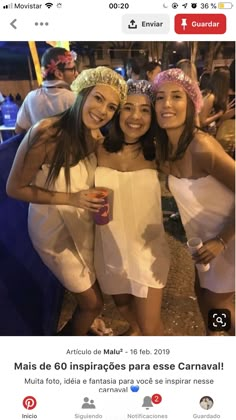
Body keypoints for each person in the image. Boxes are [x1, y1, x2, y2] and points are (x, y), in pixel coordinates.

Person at [6, 66, 127, 336]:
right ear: (82, 93)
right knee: (92, 302)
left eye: (111, 107)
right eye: (98, 98)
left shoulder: (95, 137)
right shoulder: (46, 132)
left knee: (94, 298)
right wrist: (71, 198)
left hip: (82, 225)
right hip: (52, 231)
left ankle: (78, 333)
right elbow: (14, 188)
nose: (102, 111)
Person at [153, 68, 235, 336]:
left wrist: (221, 240)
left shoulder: (202, 146)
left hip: (228, 238)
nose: (166, 104)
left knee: (218, 303)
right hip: (205, 241)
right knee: (201, 293)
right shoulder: (165, 148)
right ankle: (214, 337)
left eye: (176, 96)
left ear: (191, 104)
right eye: (160, 97)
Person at [94, 80, 170, 336]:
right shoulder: (97, 149)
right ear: (118, 113)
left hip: (147, 254)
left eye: (145, 110)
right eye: (128, 108)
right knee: (126, 309)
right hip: (109, 249)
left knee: (150, 327)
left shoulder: (160, 153)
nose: (136, 116)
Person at [15, 47, 78, 133]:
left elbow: (19, 130)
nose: (76, 73)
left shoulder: (31, 97)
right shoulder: (75, 98)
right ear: (58, 74)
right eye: (73, 69)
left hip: (38, 146)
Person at [199, 67, 233, 135]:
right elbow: (202, 122)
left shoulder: (216, 96)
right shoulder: (210, 97)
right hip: (203, 135)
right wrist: (219, 114)